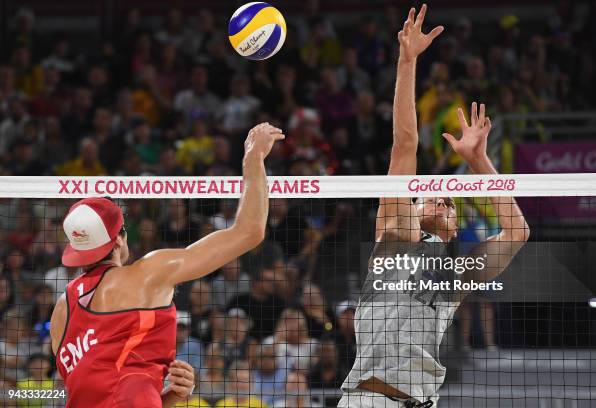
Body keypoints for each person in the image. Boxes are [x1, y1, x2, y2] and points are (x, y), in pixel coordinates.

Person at [339, 5, 529, 407]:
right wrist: (407, 62)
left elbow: (517, 233)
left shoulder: (454, 278)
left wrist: (479, 162)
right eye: (430, 195)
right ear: (414, 202)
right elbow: (405, 144)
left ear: (456, 225)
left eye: (450, 201)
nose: (442, 198)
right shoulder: (397, 233)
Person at [49, 122, 284, 407]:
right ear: (120, 239)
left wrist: (171, 396)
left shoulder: (61, 311)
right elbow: (249, 232)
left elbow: (94, 394)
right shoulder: (148, 273)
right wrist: (254, 157)